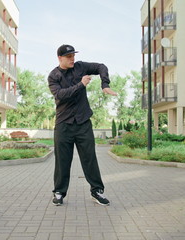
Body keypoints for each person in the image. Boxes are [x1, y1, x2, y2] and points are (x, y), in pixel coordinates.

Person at [48, 44, 117, 206]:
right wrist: (81, 85)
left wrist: (105, 84)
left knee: (90, 158)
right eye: (69, 56)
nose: (73, 59)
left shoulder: (80, 67)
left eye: (73, 55)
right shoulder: (54, 76)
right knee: (62, 160)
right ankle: (59, 192)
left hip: (83, 122)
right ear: (60, 58)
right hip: (63, 124)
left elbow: (101, 66)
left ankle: (97, 191)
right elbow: (61, 95)